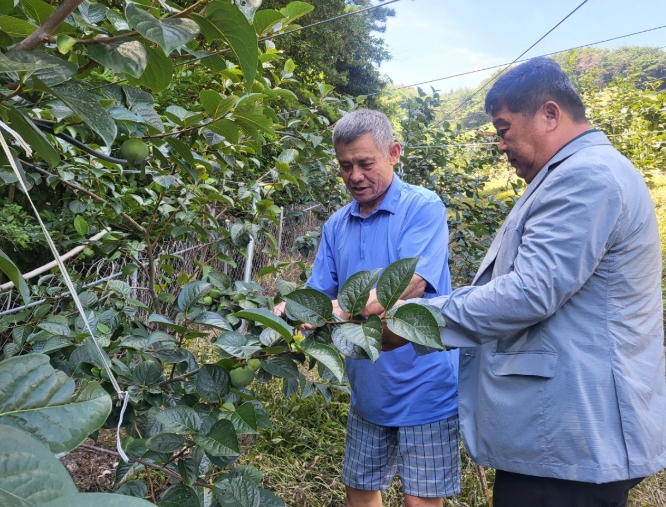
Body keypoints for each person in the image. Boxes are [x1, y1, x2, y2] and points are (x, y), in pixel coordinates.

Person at [395, 57, 666, 507]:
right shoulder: (572, 173)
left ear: (550, 114)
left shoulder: (585, 176)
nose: (500, 145)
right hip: (565, 438)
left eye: (504, 129)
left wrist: (413, 321)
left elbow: (528, 292)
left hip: (569, 442)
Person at [274, 109, 460, 506]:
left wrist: (340, 310)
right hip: (369, 388)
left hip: (426, 386)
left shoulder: (422, 207)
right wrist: (291, 309)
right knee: (359, 491)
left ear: (393, 153)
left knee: (421, 499)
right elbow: (318, 293)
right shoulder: (336, 226)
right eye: (345, 166)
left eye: (365, 163)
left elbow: (412, 282)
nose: (355, 176)